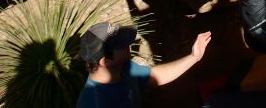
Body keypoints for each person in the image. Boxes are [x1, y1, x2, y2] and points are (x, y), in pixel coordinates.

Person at [76, 21, 211, 107]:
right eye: (121, 45)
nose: (128, 45)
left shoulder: (124, 68)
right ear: (105, 61)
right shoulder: (94, 102)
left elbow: (155, 76)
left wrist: (194, 57)